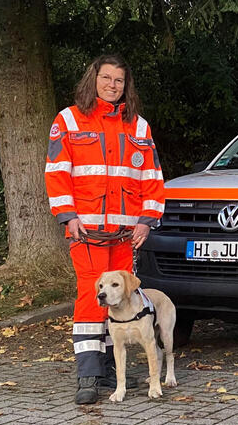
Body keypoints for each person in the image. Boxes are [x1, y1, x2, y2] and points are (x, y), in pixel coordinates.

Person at [44, 54, 166, 404]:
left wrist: (146, 220)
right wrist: (69, 216)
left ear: (127, 86)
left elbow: (152, 179)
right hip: (87, 232)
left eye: (119, 81)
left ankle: (114, 369)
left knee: (122, 298)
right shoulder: (68, 120)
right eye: (106, 78)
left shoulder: (139, 126)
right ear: (93, 79)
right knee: (90, 296)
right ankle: (88, 374)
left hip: (126, 235)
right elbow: (57, 173)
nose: (112, 86)